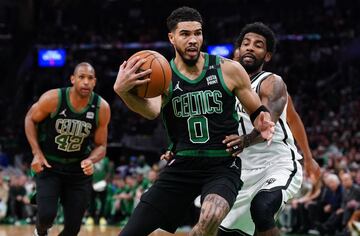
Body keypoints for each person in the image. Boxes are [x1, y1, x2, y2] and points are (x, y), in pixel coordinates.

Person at [113, 6, 274, 236]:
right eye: (185, 34)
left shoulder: (228, 69)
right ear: (171, 37)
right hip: (181, 165)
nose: (193, 40)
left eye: (197, 33)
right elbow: (151, 111)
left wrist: (262, 122)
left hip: (221, 165)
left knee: (209, 217)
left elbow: (257, 111)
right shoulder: (164, 76)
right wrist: (124, 92)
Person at [218, 22, 321, 236]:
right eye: (246, 43)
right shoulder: (225, 89)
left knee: (262, 209)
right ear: (237, 50)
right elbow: (293, 119)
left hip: (277, 164)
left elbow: (270, 121)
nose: (250, 47)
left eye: (258, 45)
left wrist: (308, 159)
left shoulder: (271, 82)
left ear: (267, 56)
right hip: (242, 170)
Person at [24, 62, 111, 236]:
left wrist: (91, 160)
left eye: (90, 78)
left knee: (73, 228)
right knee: (47, 216)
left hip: (77, 170)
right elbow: (30, 119)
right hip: (49, 165)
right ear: (73, 79)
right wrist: (36, 154)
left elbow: (101, 146)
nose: (86, 82)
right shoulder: (53, 98)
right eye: (81, 77)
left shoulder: (102, 108)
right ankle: (40, 232)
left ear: (95, 82)